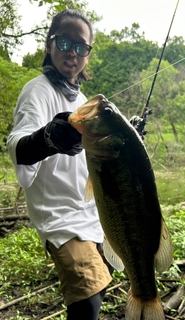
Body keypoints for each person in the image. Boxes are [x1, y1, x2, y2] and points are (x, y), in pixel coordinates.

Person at [7, 9, 113, 320]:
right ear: (50, 43)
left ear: (88, 55)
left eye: (82, 47)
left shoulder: (81, 99)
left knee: (100, 283)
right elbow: (17, 146)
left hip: (90, 212)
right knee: (88, 299)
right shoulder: (37, 91)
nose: (73, 53)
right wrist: (48, 138)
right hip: (60, 217)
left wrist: (126, 134)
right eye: (66, 42)